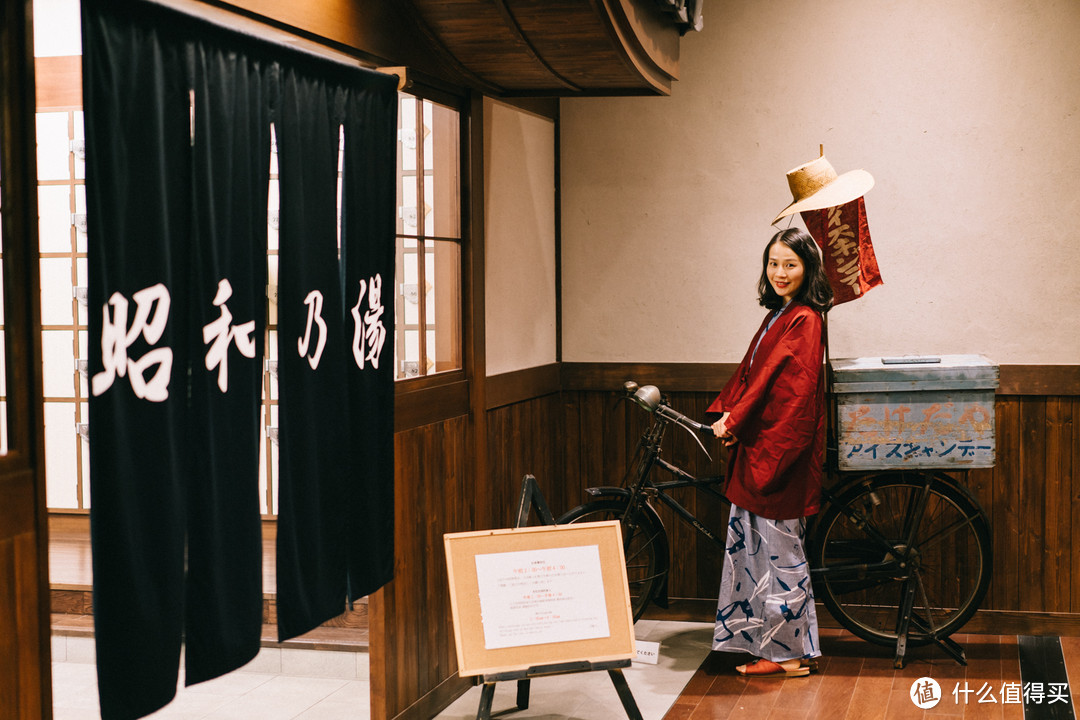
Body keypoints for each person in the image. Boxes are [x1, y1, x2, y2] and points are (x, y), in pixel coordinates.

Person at [707, 226, 833, 677]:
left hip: (779, 449)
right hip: (761, 444)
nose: (779, 272)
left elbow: (785, 391)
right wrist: (728, 412)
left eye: (790, 264)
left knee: (780, 557)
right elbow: (751, 371)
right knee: (757, 554)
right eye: (773, 263)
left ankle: (791, 655)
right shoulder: (780, 314)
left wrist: (736, 420)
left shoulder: (805, 319)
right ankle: (768, 647)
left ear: (807, 269)